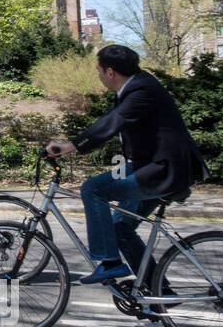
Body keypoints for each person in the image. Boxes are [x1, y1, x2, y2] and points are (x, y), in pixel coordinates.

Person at [46, 44, 208, 285]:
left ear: (110, 72)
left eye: (98, 70)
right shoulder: (133, 87)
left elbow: (113, 121)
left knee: (93, 189)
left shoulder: (142, 90)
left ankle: (109, 262)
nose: (98, 75)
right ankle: (157, 292)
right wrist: (79, 147)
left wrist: (70, 146)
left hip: (164, 170)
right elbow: (111, 125)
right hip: (149, 166)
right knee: (121, 226)